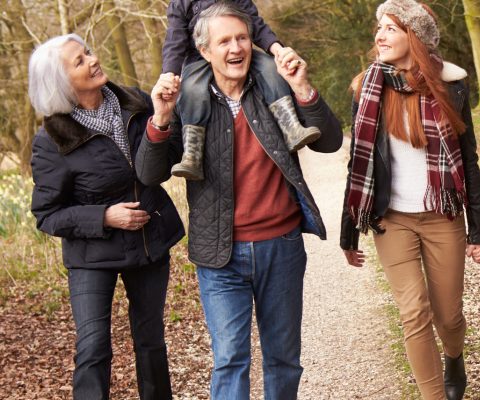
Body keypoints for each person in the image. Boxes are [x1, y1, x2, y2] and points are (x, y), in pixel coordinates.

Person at [135, 3, 343, 398]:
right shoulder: (187, 100)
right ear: (205, 51)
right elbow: (149, 174)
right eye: (225, 41)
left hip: (280, 247)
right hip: (219, 256)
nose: (236, 48)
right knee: (230, 359)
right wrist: (160, 117)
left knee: (283, 358)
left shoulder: (271, 84)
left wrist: (301, 87)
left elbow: (330, 142)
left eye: (242, 38)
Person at [339, 1, 480, 398]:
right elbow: (359, 163)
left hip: (442, 216)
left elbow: (468, 158)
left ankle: (453, 357)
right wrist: (348, 234)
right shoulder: (367, 87)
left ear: (415, 37)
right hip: (392, 220)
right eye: (379, 28)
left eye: (391, 28)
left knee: (449, 317)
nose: (379, 36)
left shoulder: (451, 86)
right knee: (414, 313)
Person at [28, 33, 185, 400]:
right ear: (60, 82)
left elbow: (169, 158)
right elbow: (47, 214)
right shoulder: (52, 138)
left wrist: (164, 117)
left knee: (150, 341)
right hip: (92, 255)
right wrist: (104, 217)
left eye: (88, 52)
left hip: (149, 241)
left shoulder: (136, 100)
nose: (93, 60)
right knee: (94, 345)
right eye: (79, 61)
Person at [160, 0, 320, 180]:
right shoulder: (180, 4)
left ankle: (291, 127)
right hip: (199, 58)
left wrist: (278, 50)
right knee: (191, 89)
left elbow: (255, 23)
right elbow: (175, 40)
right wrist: (169, 74)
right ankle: (192, 155)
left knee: (270, 68)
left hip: (241, 52)